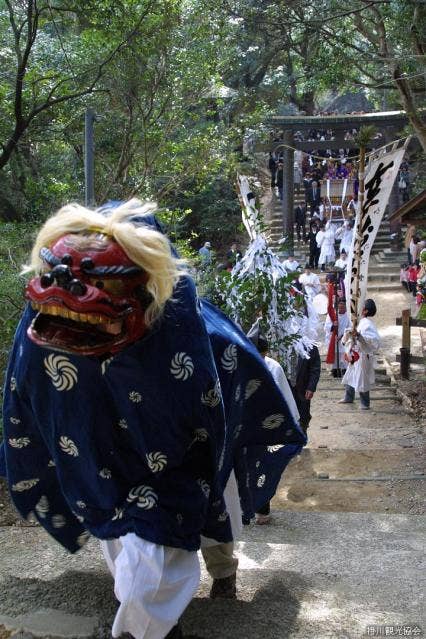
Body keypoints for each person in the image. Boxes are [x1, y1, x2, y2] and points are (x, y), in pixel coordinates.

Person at [0, 200, 306, 639]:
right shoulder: (45, 322)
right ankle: (152, 624)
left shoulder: (196, 335)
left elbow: (206, 417)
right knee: (122, 540)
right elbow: (29, 398)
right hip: (93, 454)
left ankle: (158, 617)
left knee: (166, 541)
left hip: (176, 460)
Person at [246, 325, 300, 525]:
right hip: (246, 429)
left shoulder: (273, 368)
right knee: (245, 469)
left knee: (264, 468)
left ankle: (262, 508)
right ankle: (244, 509)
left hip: (268, 428)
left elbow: (285, 398)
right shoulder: (241, 365)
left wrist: (292, 424)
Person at [339, 299, 380, 410]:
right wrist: (350, 334)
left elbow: (372, 340)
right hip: (356, 353)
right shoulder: (361, 321)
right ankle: (349, 397)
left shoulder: (368, 324)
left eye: (363, 307)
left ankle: (365, 403)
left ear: (365, 311)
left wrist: (358, 336)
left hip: (363, 355)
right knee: (350, 374)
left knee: (362, 379)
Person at [288, 344, 321, 432]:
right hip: (287, 387)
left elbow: (315, 369)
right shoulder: (281, 344)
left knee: (303, 415)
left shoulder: (310, 347)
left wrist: (311, 388)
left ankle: (302, 436)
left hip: (302, 388)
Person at [324, 298, 350, 377]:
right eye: (340, 306)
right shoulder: (332, 315)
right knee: (334, 356)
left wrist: (342, 336)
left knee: (343, 355)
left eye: (343, 307)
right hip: (333, 338)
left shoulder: (347, 316)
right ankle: (334, 370)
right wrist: (333, 326)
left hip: (343, 339)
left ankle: (344, 370)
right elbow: (326, 327)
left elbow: (349, 328)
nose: (341, 308)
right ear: (337, 306)